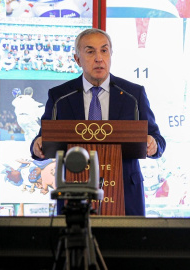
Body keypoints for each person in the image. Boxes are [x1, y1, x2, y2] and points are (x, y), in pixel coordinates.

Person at [30, 28, 166, 216]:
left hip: (125, 192)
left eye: (104, 50)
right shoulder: (60, 96)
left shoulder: (133, 94)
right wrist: (38, 146)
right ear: (77, 59)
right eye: (90, 51)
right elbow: (43, 139)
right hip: (75, 191)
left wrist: (153, 144)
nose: (99, 58)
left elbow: (158, 140)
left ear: (111, 54)